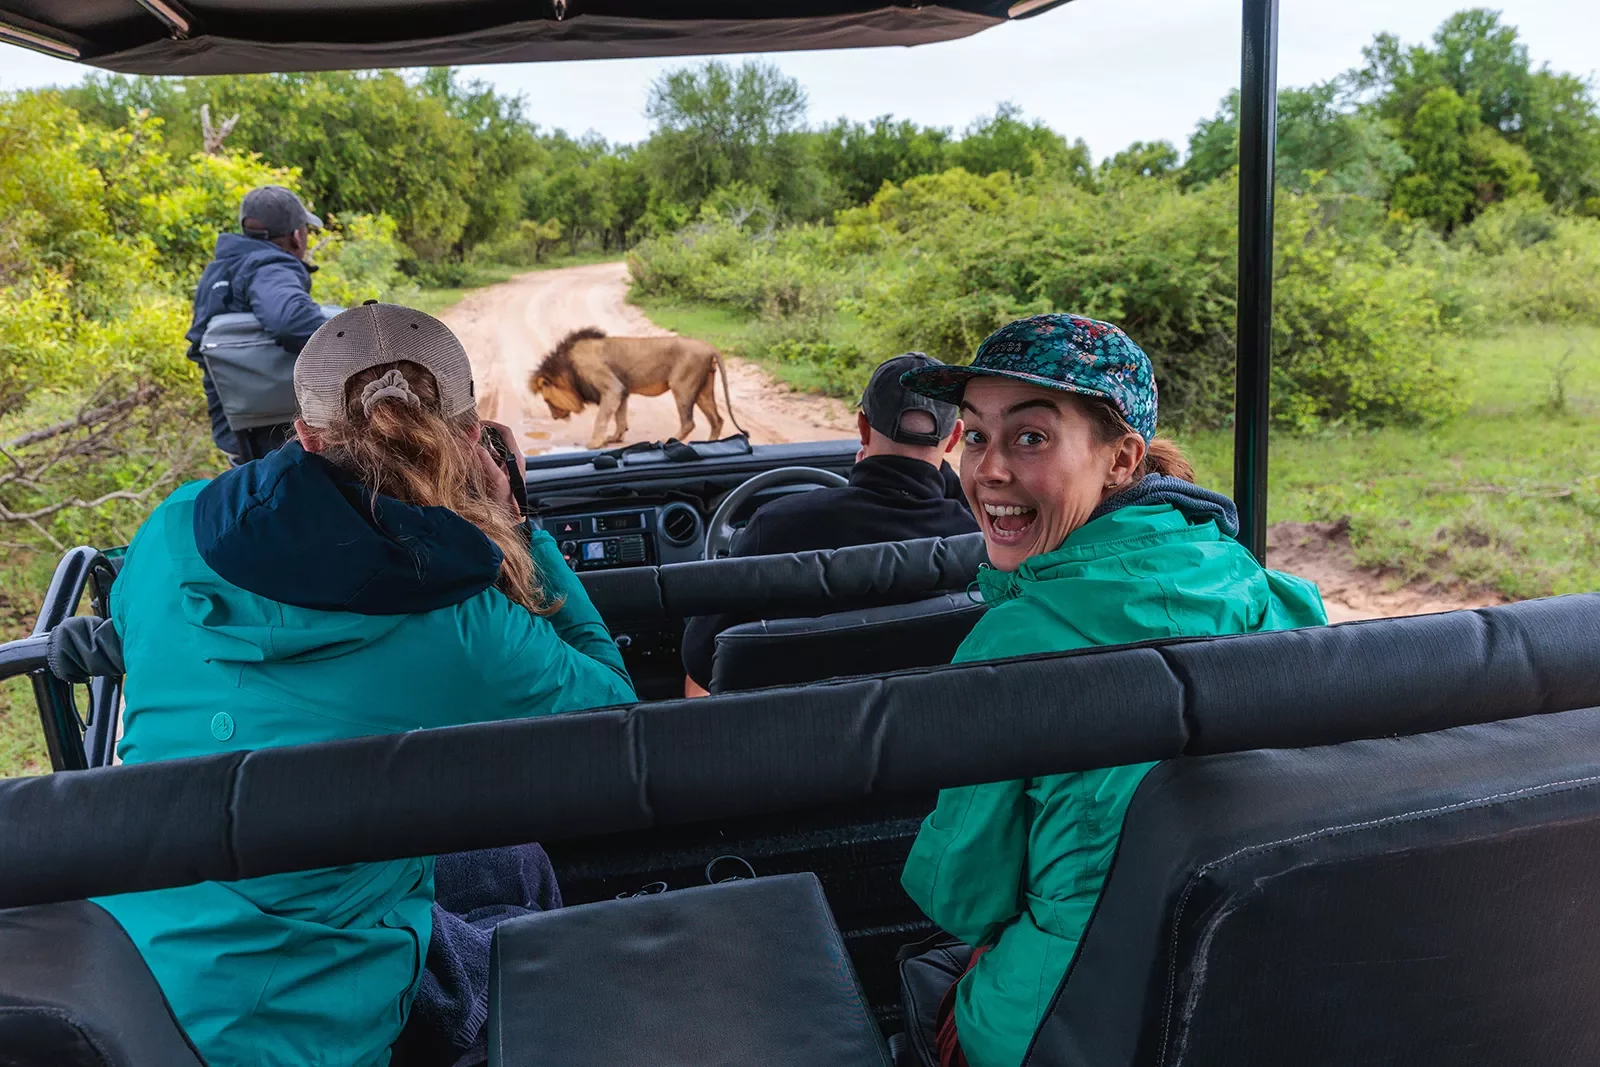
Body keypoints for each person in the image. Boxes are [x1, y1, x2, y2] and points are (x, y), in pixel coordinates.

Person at [93, 303, 636, 1067]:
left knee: (506, 860)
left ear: (306, 435)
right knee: (533, 899)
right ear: (472, 435)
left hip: (120, 955)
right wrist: (516, 526)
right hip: (295, 1021)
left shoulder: (171, 527)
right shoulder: (460, 621)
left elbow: (132, 621)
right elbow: (613, 718)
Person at [896, 314, 1328, 1067]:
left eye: (1030, 437)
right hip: (1240, 985)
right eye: (973, 435)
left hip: (1069, 1020)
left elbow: (963, 897)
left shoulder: (1013, 644)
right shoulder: (1262, 586)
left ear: (1123, 457)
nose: (988, 469)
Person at [679, 352, 979, 694]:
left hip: (789, 734)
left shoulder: (776, 525)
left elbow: (700, 660)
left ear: (862, 427)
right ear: (955, 437)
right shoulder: (974, 541)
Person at [186, 184, 330, 462]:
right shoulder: (271, 267)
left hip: (236, 429)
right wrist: (352, 345)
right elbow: (290, 321)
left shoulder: (219, 271)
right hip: (277, 435)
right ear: (297, 236)